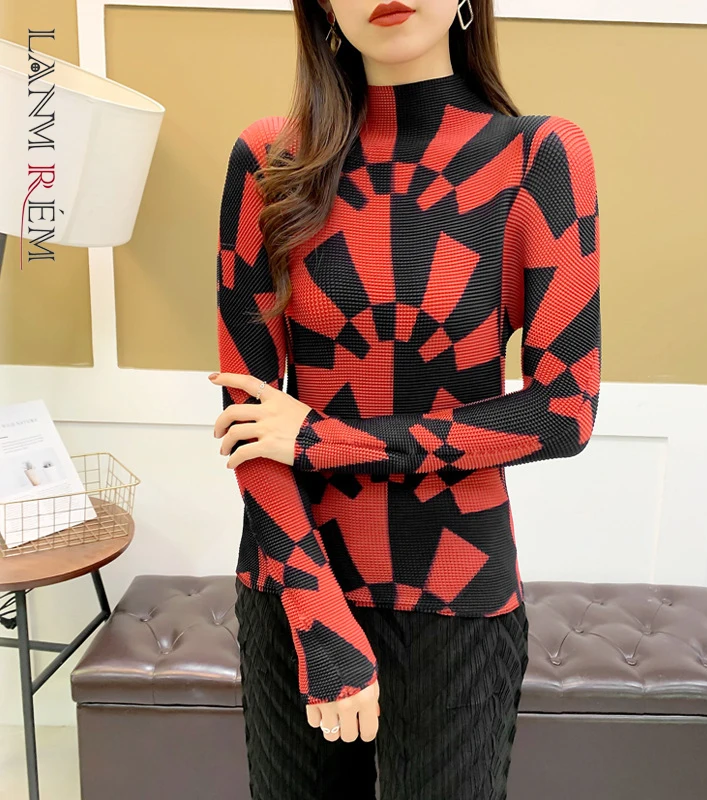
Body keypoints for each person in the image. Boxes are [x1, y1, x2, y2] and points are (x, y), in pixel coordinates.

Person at [209, 0, 601, 797]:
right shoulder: (268, 159)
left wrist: (325, 440)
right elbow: (249, 420)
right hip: (294, 586)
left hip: (459, 590)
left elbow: (565, 413)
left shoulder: (538, 157)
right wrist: (318, 618)